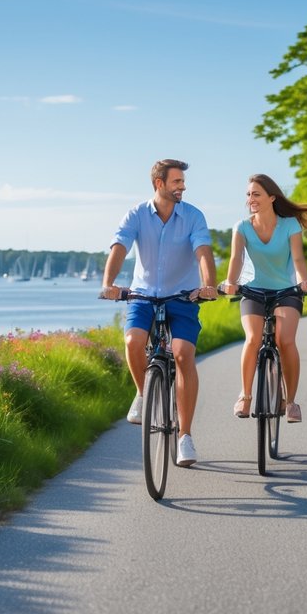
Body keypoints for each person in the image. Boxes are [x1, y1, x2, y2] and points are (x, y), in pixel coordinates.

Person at [101, 159, 218, 467]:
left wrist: (208, 285)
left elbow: (203, 252)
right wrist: (108, 283)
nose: (182, 186)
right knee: (133, 342)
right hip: (143, 296)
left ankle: (185, 437)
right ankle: (144, 395)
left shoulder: (193, 216)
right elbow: (120, 247)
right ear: (159, 184)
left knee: (182, 354)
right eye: (177, 181)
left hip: (182, 297)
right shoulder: (137, 214)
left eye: (183, 181)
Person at [219, 174, 307, 423]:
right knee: (253, 338)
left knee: (285, 340)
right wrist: (231, 283)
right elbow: (236, 259)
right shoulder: (241, 227)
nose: (250, 199)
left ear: (271, 198)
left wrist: (303, 281)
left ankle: (291, 401)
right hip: (253, 290)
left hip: (286, 291)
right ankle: (245, 396)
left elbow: (297, 259)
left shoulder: (289, 226)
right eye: (248, 194)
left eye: (256, 194)